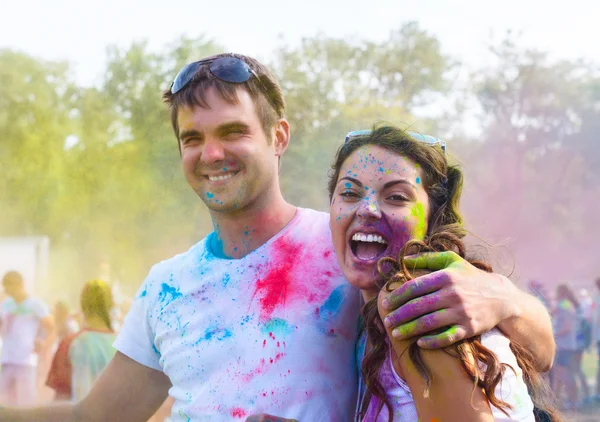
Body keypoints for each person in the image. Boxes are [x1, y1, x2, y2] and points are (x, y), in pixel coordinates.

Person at [0, 53, 555, 421]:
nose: (211, 154)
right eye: (192, 138)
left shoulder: (353, 252)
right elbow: (97, 417)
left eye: (233, 132)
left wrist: (505, 297)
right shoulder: (164, 287)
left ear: (278, 137)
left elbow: (536, 349)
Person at [328, 126, 559, 421]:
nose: (367, 209)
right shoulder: (363, 306)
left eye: (396, 197)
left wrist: (506, 298)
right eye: (350, 192)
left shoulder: (417, 300)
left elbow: (545, 356)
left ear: (433, 217)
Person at [45, 280, 117, 402]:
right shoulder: (124, 347)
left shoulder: (69, 343)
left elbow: (61, 397)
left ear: (83, 305)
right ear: (111, 305)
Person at [0, 271, 55, 407]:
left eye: (9, 287)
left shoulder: (36, 305)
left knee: (25, 405)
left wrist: (44, 345)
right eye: (5, 287)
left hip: (26, 361)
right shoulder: (6, 304)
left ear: (20, 285)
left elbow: (52, 329)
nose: (7, 290)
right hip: (7, 359)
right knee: (4, 403)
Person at [551, 284, 579, 409]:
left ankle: (572, 402)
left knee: (563, 374)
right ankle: (557, 402)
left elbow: (567, 327)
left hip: (563, 345)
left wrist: (552, 334)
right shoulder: (568, 304)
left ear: (559, 293)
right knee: (560, 375)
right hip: (569, 345)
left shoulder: (564, 305)